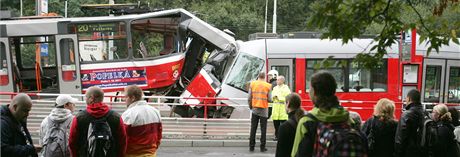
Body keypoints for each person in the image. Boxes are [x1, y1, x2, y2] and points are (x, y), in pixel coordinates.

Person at [291, 71, 366, 157]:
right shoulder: (348, 118)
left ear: (314, 92)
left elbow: (297, 154)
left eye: (310, 89)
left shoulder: (307, 121)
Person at [68, 86, 127, 157]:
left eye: (86, 97)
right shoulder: (116, 117)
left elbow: (72, 142)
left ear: (91, 98)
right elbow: (122, 141)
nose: (85, 99)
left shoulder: (79, 118)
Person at [122, 85, 162, 157]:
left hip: (133, 154)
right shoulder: (155, 111)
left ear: (133, 98)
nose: (125, 100)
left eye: (126, 97)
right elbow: (159, 135)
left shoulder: (128, 114)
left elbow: (122, 137)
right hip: (151, 153)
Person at [394, 89, 424, 157]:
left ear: (409, 99)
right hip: (421, 151)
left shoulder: (406, 115)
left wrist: (397, 153)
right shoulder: (426, 113)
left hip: (408, 152)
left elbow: (400, 138)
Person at [249, 72, 272, 152]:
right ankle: (262, 147)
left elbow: (249, 97)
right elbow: (269, 99)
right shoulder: (268, 85)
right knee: (263, 129)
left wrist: (250, 106)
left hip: (255, 109)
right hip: (264, 110)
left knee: (253, 128)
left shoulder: (252, 84)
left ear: (258, 76)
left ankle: (251, 147)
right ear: (264, 77)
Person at [275, 93, 304, 157]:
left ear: (288, 103)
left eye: (284, 103)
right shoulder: (304, 121)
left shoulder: (284, 127)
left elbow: (280, 153)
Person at [271, 75, 291, 140]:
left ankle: (283, 137)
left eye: (278, 80)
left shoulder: (286, 88)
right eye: (277, 80)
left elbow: (287, 97)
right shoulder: (275, 88)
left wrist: (278, 98)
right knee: (276, 124)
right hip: (276, 109)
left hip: (282, 109)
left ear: (282, 81)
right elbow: (272, 96)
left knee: (283, 125)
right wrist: (274, 97)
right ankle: (277, 136)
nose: (277, 81)